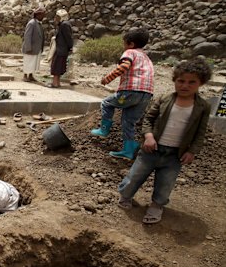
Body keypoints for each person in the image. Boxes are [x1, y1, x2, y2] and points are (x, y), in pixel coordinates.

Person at [117, 58, 212, 224]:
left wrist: (192, 151)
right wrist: (148, 136)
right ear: (175, 80)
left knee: (166, 182)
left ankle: (157, 205)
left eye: (192, 82)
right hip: (151, 149)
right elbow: (148, 119)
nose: (185, 85)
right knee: (135, 175)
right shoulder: (165, 99)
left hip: (175, 155)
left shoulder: (202, 107)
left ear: (201, 84)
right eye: (181, 81)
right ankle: (125, 196)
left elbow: (200, 131)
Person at [90, 28, 155, 160]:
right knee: (128, 121)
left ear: (130, 44)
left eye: (124, 43)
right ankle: (128, 149)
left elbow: (124, 66)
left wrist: (107, 78)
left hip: (130, 91)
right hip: (146, 94)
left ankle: (104, 129)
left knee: (107, 103)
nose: (123, 46)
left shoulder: (130, 52)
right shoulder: (146, 57)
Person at [49, 9, 73, 88]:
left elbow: (68, 38)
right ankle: (57, 83)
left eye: (58, 17)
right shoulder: (62, 24)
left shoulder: (64, 25)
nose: (56, 18)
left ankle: (55, 83)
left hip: (61, 49)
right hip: (61, 49)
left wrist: (70, 47)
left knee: (57, 66)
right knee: (58, 66)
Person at [21, 6, 46, 82]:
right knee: (28, 61)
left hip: (36, 47)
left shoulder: (39, 24)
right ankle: (25, 75)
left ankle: (31, 75)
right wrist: (28, 47)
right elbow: (27, 36)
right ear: (38, 15)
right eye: (42, 15)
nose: (43, 17)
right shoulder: (31, 23)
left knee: (34, 63)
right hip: (31, 47)